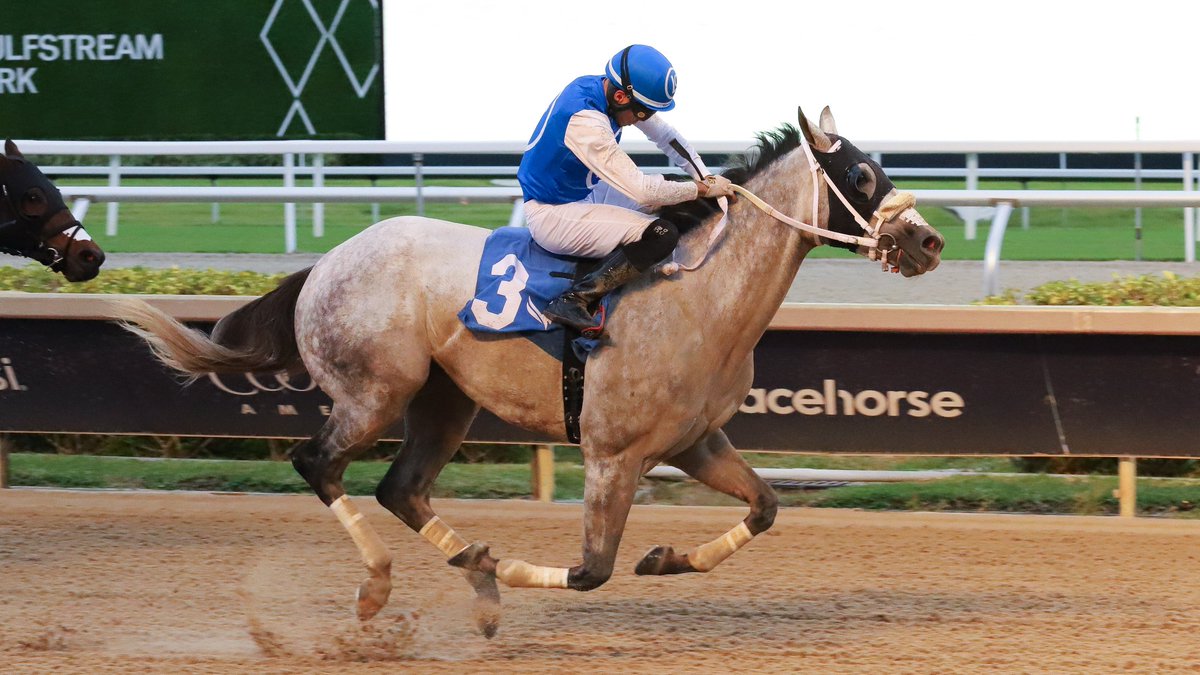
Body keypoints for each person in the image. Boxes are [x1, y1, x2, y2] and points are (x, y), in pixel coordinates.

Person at [517, 44, 734, 336]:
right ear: (621, 97)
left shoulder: (602, 88)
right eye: (643, 114)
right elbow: (642, 192)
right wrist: (700, 189)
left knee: (672, 186)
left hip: (583, 193)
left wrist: (705, 178)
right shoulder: (586, 122)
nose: (643, 120)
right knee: (661, 234)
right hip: (553, 215)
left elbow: (666, 137)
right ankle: (575, 299)